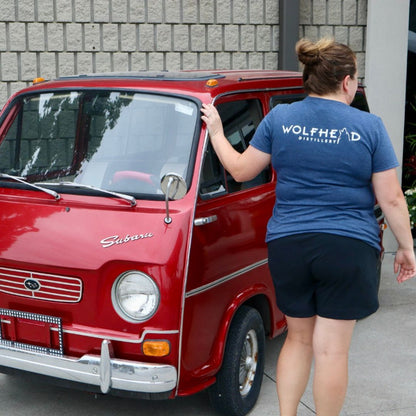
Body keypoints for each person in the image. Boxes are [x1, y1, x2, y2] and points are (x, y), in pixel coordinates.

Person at [201, 37, 416, 416]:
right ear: (347, 82)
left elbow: (239, 170)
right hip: (348, 247)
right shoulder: (369, 126)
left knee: (297, 340)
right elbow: (392, 198)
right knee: (331, 350)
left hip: (290, 245)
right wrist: (406, 247)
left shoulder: (281, 119)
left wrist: (217, 131)